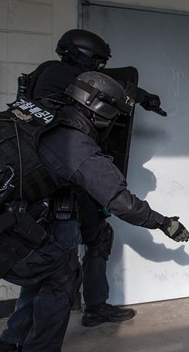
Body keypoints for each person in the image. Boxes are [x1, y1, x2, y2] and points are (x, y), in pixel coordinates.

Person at [0, 71, 189, 352]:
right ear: (101, 112)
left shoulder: (34, 109)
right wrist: (163, 223)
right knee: (61, 273)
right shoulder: (74, 143)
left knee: (41, 267)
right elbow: (121, 202)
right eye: (113, 117)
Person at [19, 29, 165, 327]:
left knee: (97, 238)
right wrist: (144, 97)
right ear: (82, 54)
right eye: (96, 61)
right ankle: (18, 341)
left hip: (67, 180)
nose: (98, 68)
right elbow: (113, 87)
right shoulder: (61, 75)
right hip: (61, 183)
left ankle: (95, 307)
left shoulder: (45, 74)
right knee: (55, 266)